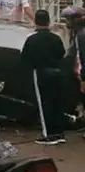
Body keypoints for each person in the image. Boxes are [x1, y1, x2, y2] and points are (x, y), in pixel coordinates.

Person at [21, 9, 68, 145]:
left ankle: (48, 135)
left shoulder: (31, 39)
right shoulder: (56, 38)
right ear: (48, 21)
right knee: (57, 103)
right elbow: (61, 54)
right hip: (57, 73)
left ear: (35, 21)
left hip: (41, 73)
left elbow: (25, 59)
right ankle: (59, 133)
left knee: (44, 104)